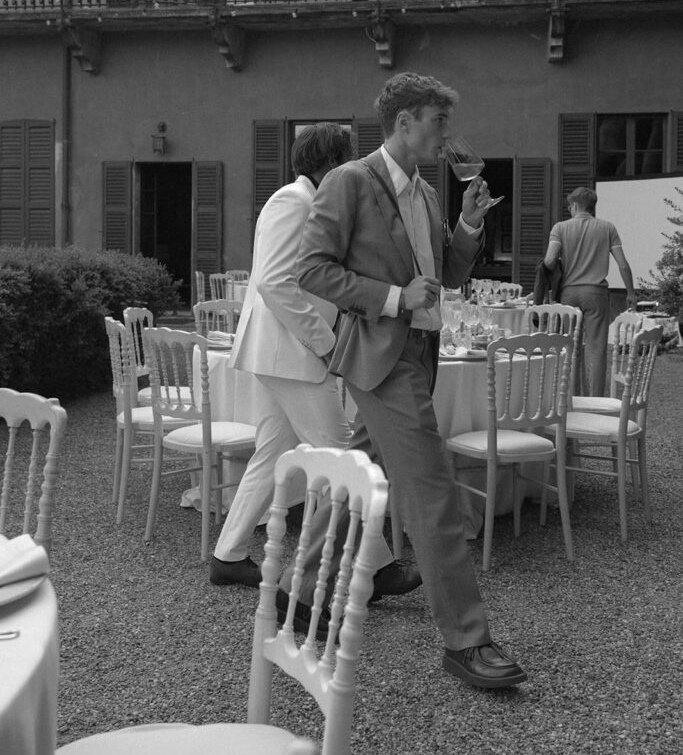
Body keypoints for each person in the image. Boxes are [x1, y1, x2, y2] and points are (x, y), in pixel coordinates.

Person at [286, 72, 526, 690]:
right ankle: (467, 640)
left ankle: (300, 588)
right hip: (381, 356)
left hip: (420, 352)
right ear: (404, 122)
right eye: (437, 121)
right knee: (432, 492)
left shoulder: (426, 193)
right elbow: (309, 269)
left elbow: (445, 275)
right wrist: (394, 297)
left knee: (357, 474)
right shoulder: (350, 181)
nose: (446, 134)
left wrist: (468, 226)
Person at [210, 122, 416, 600]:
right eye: (347, 160)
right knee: (344, 458)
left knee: (272, 455)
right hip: (291, 352)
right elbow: (274, 282)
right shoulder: (293, 201)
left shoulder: (308, 202)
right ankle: (375, 568)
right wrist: (325, 342)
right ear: (329, 163)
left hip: (284, 352)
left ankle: (228, 555)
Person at [543, 186, 636, 396]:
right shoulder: (608, 228)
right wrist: (631, 292)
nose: (569, 210)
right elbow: (623, 265)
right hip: (596, 294)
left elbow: (549, 260)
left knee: (571, 347)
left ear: (575, 205)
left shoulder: (560, 228)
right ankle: (596, 400)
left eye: (570, 207)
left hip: (568, 294)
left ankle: (572, 397)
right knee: (597, 349)